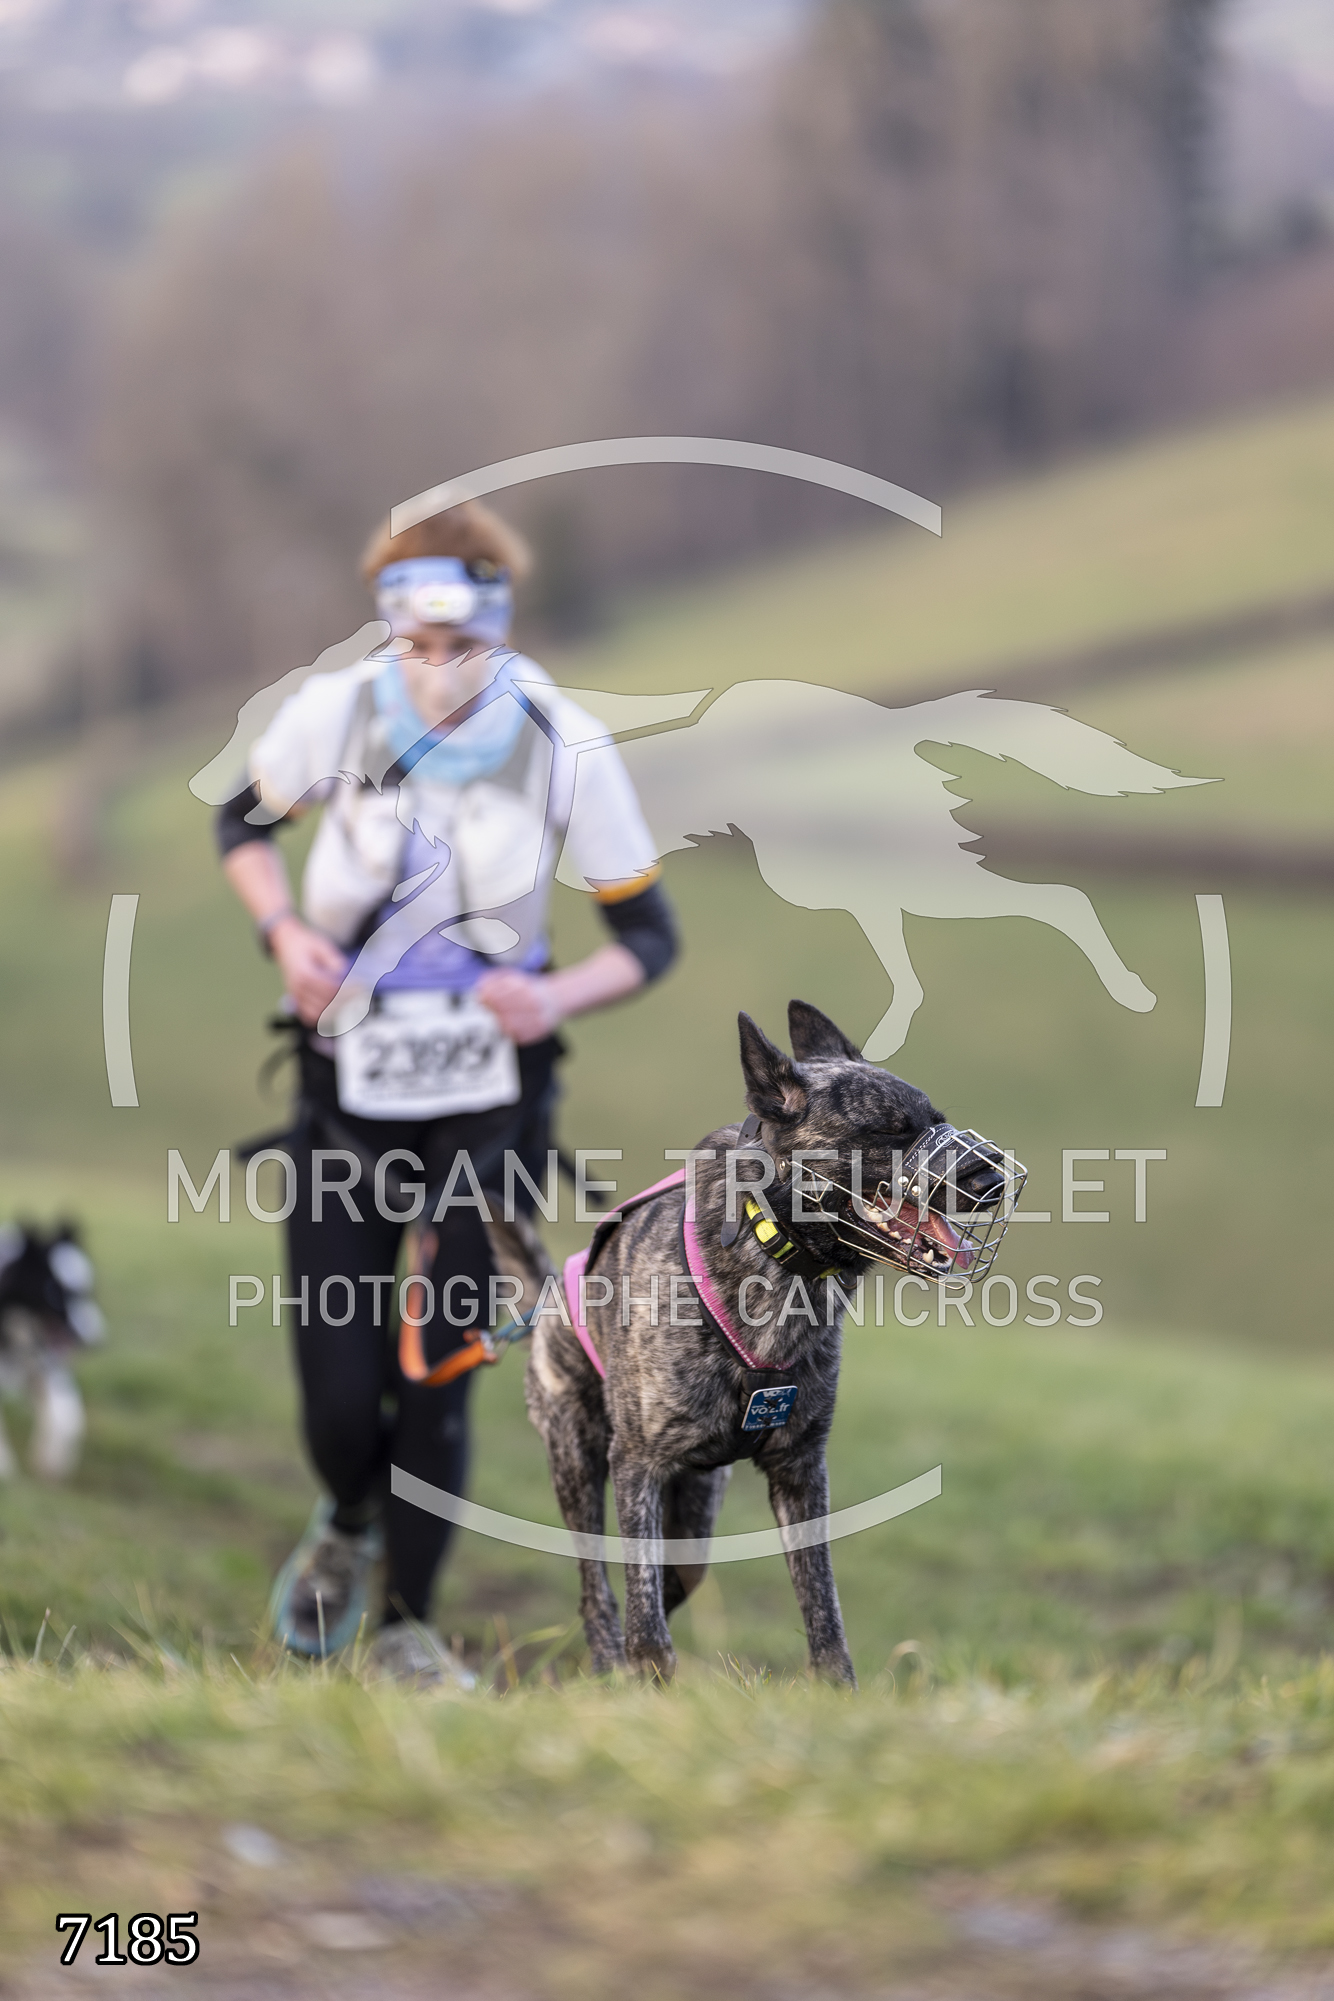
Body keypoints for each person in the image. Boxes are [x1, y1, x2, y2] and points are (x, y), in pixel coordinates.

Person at [216, 500, 677, 1682]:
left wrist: (553, 996)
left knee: (440, 1372)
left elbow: (649, 937)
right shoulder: (334, 713)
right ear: (386, 627)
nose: (438, 669)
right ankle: (347, 1519)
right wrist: (285, 935)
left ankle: (406, 1632)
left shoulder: (566, 742)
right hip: (343, 1092)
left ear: (499, 623)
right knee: (337, 1387)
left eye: (460, 642)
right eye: (415, 644)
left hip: (491, 1105)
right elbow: (239, 823)